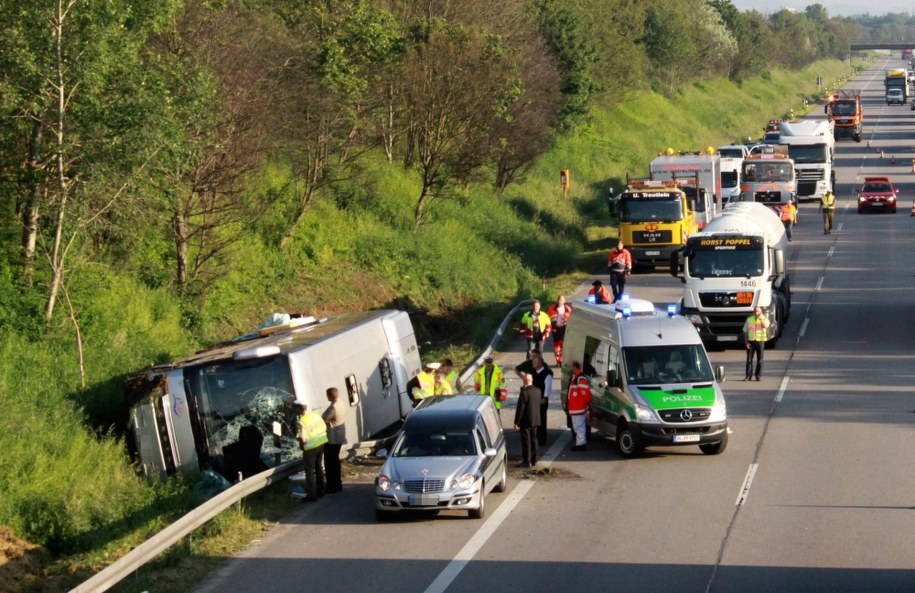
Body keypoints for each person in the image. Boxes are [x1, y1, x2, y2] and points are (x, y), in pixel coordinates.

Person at [514, 350, 553, 446]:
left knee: (541, 420)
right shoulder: (534, 371)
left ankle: (541, 440)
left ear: (540, 363)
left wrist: (542, 399)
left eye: (535, 362)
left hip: (541, 401)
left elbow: (547, 390)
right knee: (534, 420)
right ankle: (534, 439)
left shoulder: (546, 373)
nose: (533, 364)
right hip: (534, 400)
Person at [295, 401, 328, 502]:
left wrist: (301, 444)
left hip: (310, 448)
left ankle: (312, 495)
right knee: (318, 467)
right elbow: (325, 427)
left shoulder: (301, 421)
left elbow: (302, 438)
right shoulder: (316, 415)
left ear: (299, 410)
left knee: (309, 471)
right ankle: (321, 490)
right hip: (321, 444)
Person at [321, 387, 347, 494]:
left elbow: (324, 418)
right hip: (340, 435)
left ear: (330, 396)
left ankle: (331, 485)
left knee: (329, 462)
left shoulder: (333, 407)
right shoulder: (342, 403)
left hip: (332, 437)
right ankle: (338, 483)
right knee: (335, 461)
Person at [513, 373, 542, 468]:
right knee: (534, 439)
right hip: (536, 419)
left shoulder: (525, 392)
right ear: (532, 380)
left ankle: (527, 460)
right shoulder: (538, 391)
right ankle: (534, 459)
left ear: (524, 381)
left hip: (526, 420)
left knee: (526, 441)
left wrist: (516, 422)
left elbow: (520, 408)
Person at [564, 361, 592, 451]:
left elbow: (585, 394)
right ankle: (579, 443)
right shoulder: (575, 377)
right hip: (575, 408)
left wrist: (585, 404)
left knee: (579, 426)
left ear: (575, 367)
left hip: (578, 408)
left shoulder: (580, 378)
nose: (568, 368)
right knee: (577, 426)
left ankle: (581, 444)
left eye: (570, 366)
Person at [742, 306, 770, 381]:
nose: (756, 313)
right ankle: (748, 376)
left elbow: (766, 326)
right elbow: (745, 332)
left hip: (760, 341)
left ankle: (758, 375)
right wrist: (746, 342)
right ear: (753, 312)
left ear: (761, 312)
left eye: (758, 311)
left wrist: (760, 318)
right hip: (751, 341)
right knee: (749, 360)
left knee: (760, 360)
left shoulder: (764, 319)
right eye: (755, 311)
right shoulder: (749, 319)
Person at [547, 295, 572, 367]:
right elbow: (547, 319)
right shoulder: (552, 308)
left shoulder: (568, 309)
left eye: (561, 300)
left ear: (564, 301)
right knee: (556, 346)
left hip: (565, 328)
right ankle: (558, 361)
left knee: (563, 345)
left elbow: (571, 319)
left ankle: (564, 361)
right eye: (558, 300)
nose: (559, 301)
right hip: (555, 329)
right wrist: (549, 328)